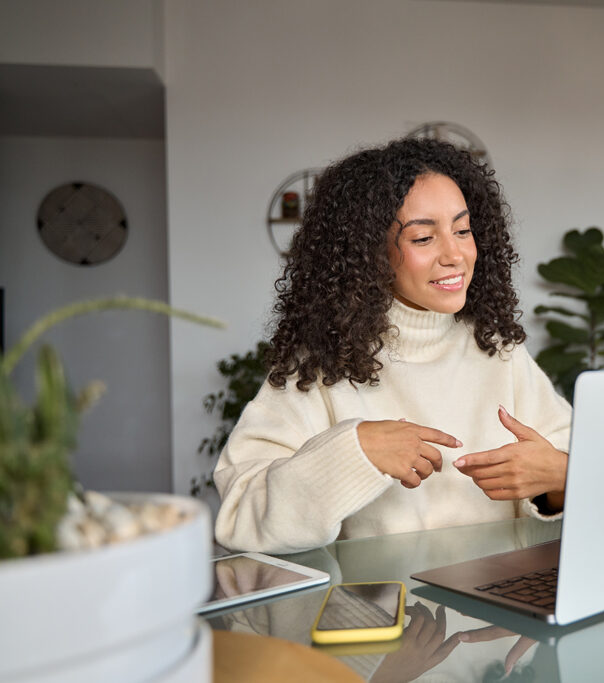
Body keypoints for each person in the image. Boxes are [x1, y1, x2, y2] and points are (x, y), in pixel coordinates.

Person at [213, 138, 572, 554]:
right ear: (370, 252)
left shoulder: (498, 352)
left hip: (500, 610)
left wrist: (562, 477)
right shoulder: (321, 367)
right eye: (423, 238)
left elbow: (582, 470)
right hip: (384, 614)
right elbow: (240, 516)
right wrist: (355, 451)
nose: (455, 254)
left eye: (462, 230)